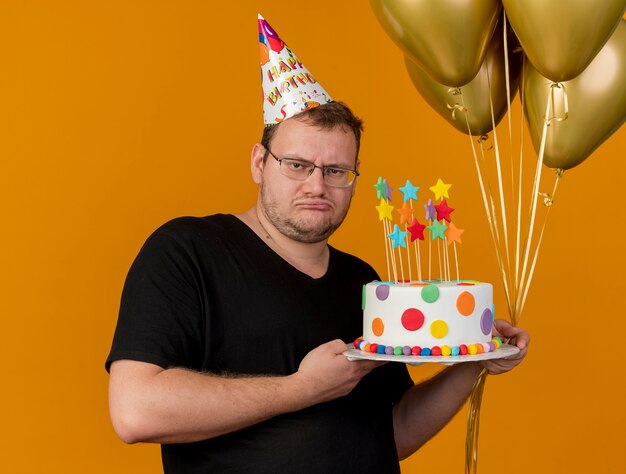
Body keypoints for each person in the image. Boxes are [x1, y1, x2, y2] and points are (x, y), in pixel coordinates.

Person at [106, 15, 529, 473]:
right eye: (297, 165)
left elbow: (395, 434)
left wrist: (474, 361)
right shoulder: (187, 251)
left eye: (336, 171)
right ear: (258, 162)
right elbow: (135, 411)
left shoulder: (364, 282)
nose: (317, 186)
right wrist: (303, 388)